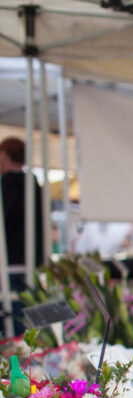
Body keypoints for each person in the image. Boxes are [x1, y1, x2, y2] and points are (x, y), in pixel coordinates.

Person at [0, 137, 44, 334]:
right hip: (33, 263)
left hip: (7, 264)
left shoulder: (5, 186)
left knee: (11, 324)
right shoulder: (34, 185)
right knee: (28, 322)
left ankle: (15, 363)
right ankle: (28, 361)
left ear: (5, 155)